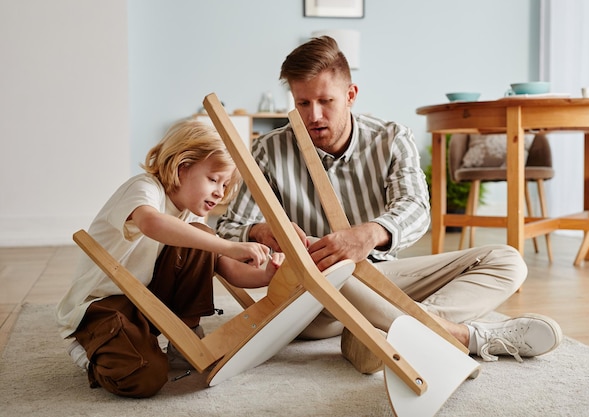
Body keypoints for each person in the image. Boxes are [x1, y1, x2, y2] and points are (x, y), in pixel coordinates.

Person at [217, 36, 563, 373]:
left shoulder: (391, 137)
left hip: (383, 278)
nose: (314, 115)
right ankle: (461, 336)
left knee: (507, 261)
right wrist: (263, 231)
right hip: (316, 299)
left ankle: (379, 336)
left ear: (351, 95)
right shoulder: (269, 150)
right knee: (330, 270)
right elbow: (228, 229)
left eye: (326, 101)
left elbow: (415, 207)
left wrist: (370, 234)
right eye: (302, 103)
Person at [56, 119, 283, 398]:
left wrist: (266, 275)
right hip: (102, 307)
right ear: (182, 166)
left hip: (146, 301)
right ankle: (89, 349)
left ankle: (183, 340)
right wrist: (227, 245)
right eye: (213, 179)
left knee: (199, 233)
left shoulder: (193, 214)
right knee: (145, 378)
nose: (219, 192)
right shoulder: (144, 188)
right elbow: (151, 223)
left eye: (224, 185)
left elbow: (224, 267)